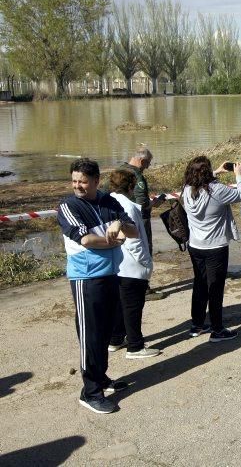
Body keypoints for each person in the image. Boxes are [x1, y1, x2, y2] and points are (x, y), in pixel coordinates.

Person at [57, 158, 139, 414]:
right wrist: (114, 241)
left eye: (83, 181)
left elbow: (133, 230)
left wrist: (118, 224)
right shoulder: (69, 206)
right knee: (90, 335)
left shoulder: (108, 201)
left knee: (104, 332)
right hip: (86, 278)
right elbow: (87, 239)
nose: (78, 186)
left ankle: (101, 378)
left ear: (95, 181)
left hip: (110, 273)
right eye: (74, 181)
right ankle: (90, 391)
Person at [182, 156, 241, 342]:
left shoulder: (186, 189)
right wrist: (238, 175)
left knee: (200, 284)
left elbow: (197, 180)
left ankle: (197, 324)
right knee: (216, 288)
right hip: (215, 247)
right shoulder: (217, 190)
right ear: (206, 173)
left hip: (195, 245)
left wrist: (216, 172)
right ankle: (217, 330)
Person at [107, 169, 161, 359]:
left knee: (119, 306)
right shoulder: (127, 207)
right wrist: (146, 262)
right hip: (132, 265)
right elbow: (135, 240)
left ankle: (115, 339)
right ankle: (135, 346)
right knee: (133, 307)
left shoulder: (107, 202)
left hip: (116, 264)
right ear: (130, 187)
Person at [120, 146, 164, 255]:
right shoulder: (138, 177)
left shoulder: (119, 170)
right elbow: (142, 204)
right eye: (148, 163)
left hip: (120, 219)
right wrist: (154, 203)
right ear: (142, 161)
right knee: (144, 250)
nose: (148, 167)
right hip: (139, 220)